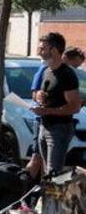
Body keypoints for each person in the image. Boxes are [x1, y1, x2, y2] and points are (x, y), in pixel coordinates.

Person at [31, 33, 82, 175]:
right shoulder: (47, 71)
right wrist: (40, 96)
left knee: (54, 174)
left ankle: (51, 197)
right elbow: (41, 93)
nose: (38, 52)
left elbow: (75, 107)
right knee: (46, 173)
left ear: (53, 50)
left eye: (42, 48)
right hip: (44, 126)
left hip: (59, 130)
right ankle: (44, 197)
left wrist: (48, 111)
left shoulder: (67, 74)